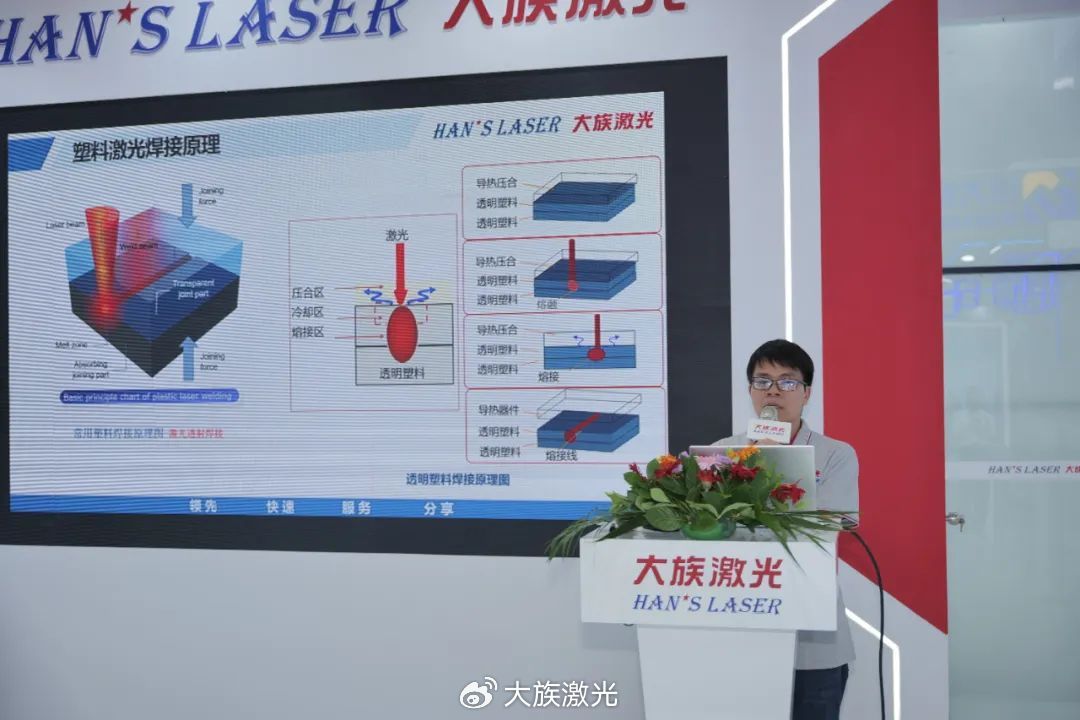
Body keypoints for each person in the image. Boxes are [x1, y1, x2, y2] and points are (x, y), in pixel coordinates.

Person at [713, 339, 858, 720]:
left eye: (788, 381)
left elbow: (825, 527)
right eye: (762, 381)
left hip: (814, 637)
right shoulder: (721, 452)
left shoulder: (836, 454)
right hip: (741, 623)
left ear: (806, 393)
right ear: (750, 390)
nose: (773, 391)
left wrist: (771, 462)